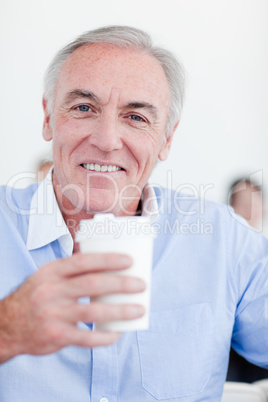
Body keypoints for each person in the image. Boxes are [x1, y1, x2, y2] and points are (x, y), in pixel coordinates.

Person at [0, 26, 267, 402]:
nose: (107, 140)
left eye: (136, 118)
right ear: (47, 118)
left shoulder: (225, 241)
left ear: (166, 139)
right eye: (83, 108)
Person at [226, 177, 268, 383]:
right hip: (232, 358)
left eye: (254, 202)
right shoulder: (223, 253)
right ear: (231, 207)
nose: (248, 208)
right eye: (242, 202)